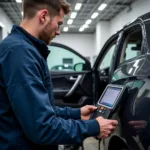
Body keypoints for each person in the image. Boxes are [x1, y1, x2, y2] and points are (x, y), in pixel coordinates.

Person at [0, 0, 118, 149]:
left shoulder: (23, 50)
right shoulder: (20, 53)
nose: (58, 31)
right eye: (59, 23)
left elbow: (41, 110)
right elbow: (42, 128)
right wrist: (93, 127)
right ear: (44, 16)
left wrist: (77, 113)